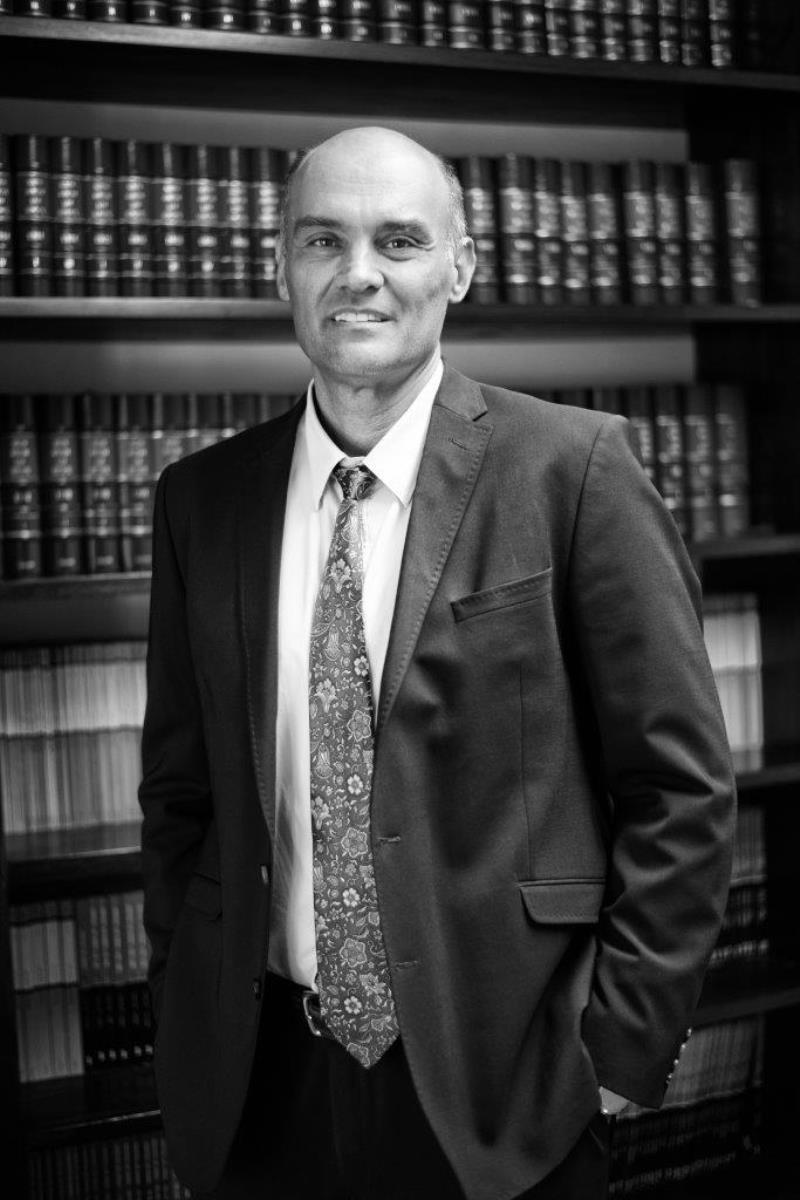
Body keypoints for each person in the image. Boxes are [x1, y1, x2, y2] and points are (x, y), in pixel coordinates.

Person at [139, 126, 736, 1200]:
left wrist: (616, 1054)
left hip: (507, 1083)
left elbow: (678, 788)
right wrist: (180, 1001)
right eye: (322, 239)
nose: (358, 272)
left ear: (458, 267)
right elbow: (180, 797)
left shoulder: (574, 469)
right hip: (260, 1085)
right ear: (281, 265)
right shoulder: (202, 499)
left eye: (400, 240)